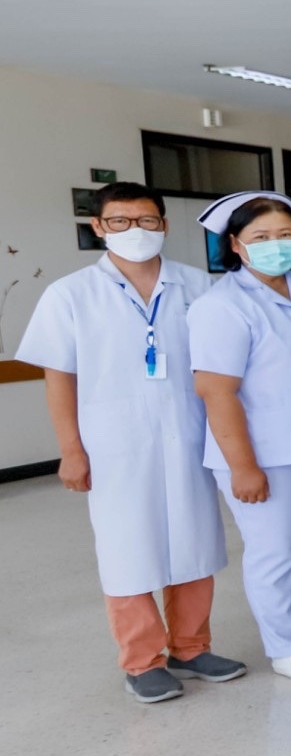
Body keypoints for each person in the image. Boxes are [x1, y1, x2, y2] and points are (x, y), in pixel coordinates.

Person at [17, 182, 243, 703]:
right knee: (128, 549)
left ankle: (192, 647)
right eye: (120, 221)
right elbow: (60, 379)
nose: (134, 230)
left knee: (196, 541)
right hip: (114, 445)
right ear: (98, 227)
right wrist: (71, 450)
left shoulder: (197, 285)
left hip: (188, 436)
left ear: (164, 225)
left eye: (146, 221)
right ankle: (142, 661)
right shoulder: (70, 294)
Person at [189, 191, 291, 683]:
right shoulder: (222, 306)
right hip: (261, 452)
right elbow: (216, 391)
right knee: (277, 551)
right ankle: (287, 646)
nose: (276, 244)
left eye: (285, 234)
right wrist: (242, 467)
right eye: (260, 236)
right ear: (235, 245)